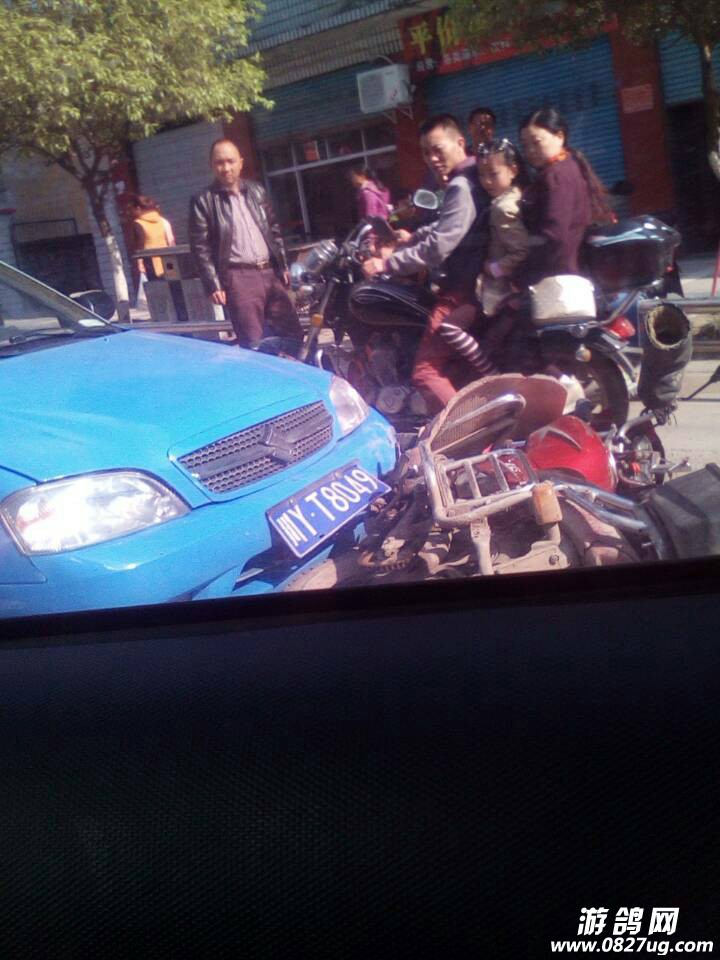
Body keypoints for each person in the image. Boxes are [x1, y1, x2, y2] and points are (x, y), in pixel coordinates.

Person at [362, 114, 489, 412]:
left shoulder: (461, 184)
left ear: (460, 143)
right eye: (426, 152)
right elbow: (451, 226)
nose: (432, 158)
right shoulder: (473, 176)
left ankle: (468, 430)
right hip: (475, 283)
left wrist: (387, 265)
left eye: (438, 149)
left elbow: (441, 245)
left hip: (460, 289)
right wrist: (412, 237)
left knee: (425, 372)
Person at [189, 138, 301, 349]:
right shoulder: (203, 200)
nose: (226, 168)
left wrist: (283, 265)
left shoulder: (257, 191)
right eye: (219, 162)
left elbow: (274, 230)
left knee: (292, 334)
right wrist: (213, 284)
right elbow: (200, 247)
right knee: (253, 341)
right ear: (212, 166)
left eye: (230, 161)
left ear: (240, 162)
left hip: (270, 273)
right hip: (239, 278)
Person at [518, 107, 614, 284]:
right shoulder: (568, 165)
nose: (530, 150)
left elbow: (553, 235)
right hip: (570, 272)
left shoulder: (556, 175)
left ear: (560, 136)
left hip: (559, 277)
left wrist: (522, 272)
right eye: (525, 145)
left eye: (536, 142)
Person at [128, 194, 176, 280]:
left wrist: (139, 263)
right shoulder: (163, 221)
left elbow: (140, 245)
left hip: (150, 264)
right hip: (169, 262)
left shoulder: (138, 224)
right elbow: (171, 242)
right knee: (172, 285)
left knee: (155, 287)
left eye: (133, 209)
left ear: (138, 208)